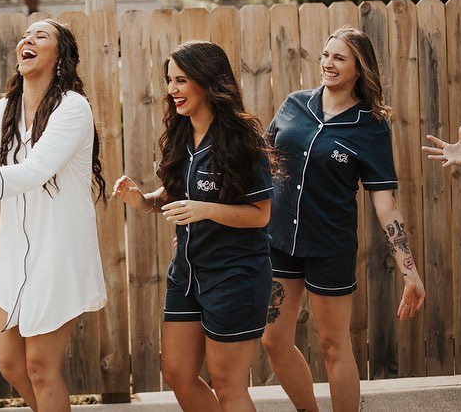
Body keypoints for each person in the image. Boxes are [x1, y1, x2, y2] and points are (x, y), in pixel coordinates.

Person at [0, 19, 107, 412]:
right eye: (25, 36)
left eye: (40, 36)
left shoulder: (73, 108)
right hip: (17, 254)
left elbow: (35, 171)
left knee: (41, 366)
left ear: (59, 56)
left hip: (59, 252)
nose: (26, 40)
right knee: (12, 365)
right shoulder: (4, 109)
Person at [261, 25, 426, 412]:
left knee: (334, 346)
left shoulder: (370, 128)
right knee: (273, 340)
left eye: (339, 57)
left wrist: (410, 272)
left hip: (329, 248)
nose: (327, 63)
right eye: (325, 54)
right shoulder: (294, 104)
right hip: (279, 242)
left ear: (359, 67)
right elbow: (259, 163)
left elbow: (386, 204)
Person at [112, 41, 274, 412]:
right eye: (170, 80)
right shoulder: (181, 135)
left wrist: (207, 209)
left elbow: (259, 214)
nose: (172, 90)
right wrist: (143, 201)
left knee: (227, 384)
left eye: (181, 80)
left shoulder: (243, 140)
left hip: (235, 275)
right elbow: (172, 197)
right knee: (177, 371)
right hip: (185, 274)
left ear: (208, 81)